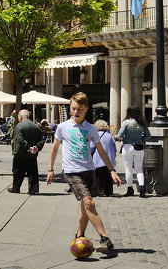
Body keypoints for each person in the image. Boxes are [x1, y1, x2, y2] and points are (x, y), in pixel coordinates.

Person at [45, 92, 119, 254]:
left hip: (89, 170)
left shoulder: (90, 128)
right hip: (72, 172)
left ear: (85, 109)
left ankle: (79, 236)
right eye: (73, 109)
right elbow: (54, 148)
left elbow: (101, 151)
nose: (75, 112)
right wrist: (50, 169)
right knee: (89, 203)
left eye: (79, 109)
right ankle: (105, 238)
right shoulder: (63, 127)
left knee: (85, 207)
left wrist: (111, 170)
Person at [115, 105, 151, 196]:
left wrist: (123, 138)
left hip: (127, 146)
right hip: (139, 147)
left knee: (128, 169)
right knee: (139, 169)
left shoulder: (126, 122)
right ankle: (142, 189)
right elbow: (148, 135)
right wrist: (141, 138)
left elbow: (120, 135)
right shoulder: (142, 123)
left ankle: (130, 189)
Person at [9, 109, 43, 194]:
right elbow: (42, 138)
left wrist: (28, 148)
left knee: (17, 172)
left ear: (20, 117)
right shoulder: (35, 126)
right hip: (32, 155)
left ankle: (16, 188)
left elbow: (20, 139)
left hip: (20, 154)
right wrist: (37, 147)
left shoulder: (19, 126)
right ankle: (33, 190)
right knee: (32, 173)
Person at [92, 120, 118, 197]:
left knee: (99, 176)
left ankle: (100, 190)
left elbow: (91, 147)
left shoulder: (95, 135)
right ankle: (108, 191)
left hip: (98, 159)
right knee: (108, 176)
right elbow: (114, 147)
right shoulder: (109, 136)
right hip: (109, 159)